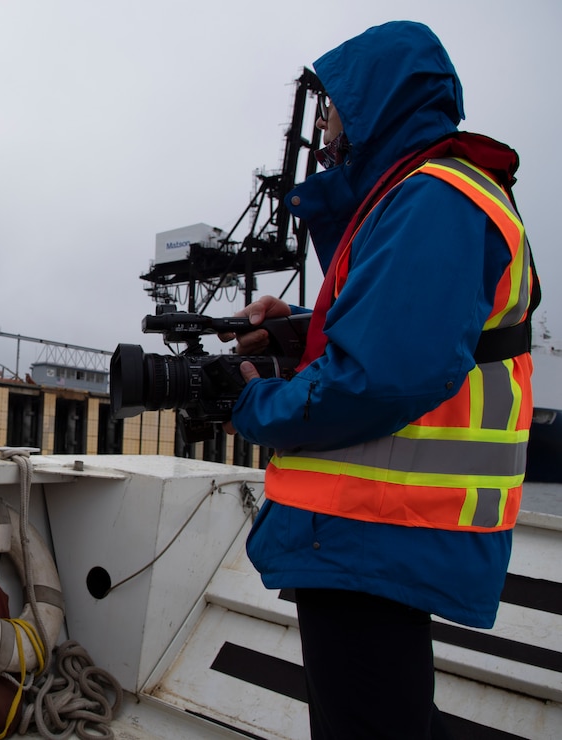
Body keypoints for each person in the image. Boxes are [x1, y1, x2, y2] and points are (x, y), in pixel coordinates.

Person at [223, 22, 537, 739]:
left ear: (374, 101)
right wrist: (301, 326)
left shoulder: (433, 199)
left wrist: (258, 404)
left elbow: (377, 379)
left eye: (334, 106)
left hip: (377, 527)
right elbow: (409, 325)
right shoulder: (426, 194)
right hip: (376, 530)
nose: (326, 125)